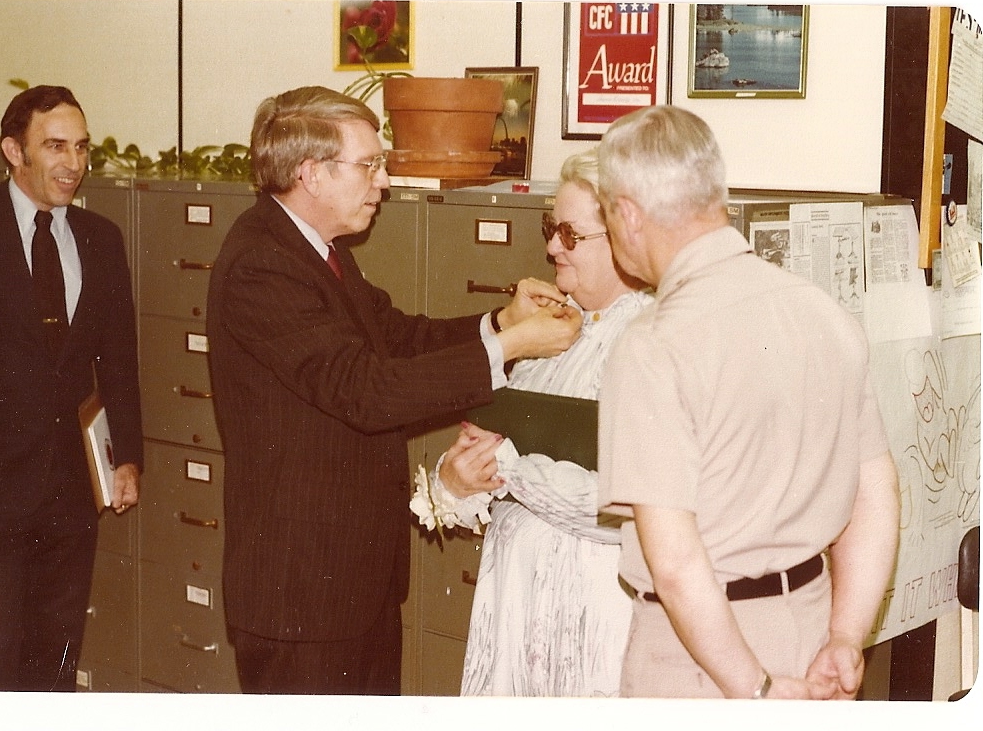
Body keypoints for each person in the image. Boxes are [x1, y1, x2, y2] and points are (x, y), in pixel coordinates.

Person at [205, 86, 581, 696]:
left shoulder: (318, 250)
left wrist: (501, 323)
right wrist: (510, 351)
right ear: (312, 174)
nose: (383, 181)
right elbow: (365, 391)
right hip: (302, 594)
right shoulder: (262, 263)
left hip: (351, 584)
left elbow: (396, 337)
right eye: (369, 164)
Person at [595, 105, 900, 700]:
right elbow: (877, 491)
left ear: (627, 215)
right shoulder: (826, 315)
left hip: (703, 661)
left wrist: (754, 689)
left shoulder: (653, 346)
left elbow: (678, 564)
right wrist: (845, 636)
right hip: (815, 637)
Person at [410, 149, 653, 697]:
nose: (550, 247)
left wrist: (511, 470)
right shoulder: (550, 332)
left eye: (570, 234)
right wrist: (456, 481)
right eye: (551, 228)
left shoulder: (652, 343)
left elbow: (631, 513)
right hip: (517, 606)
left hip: (594, 610)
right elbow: (484, 448)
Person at [0, 85, 143, 691]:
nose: (74, 163)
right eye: (56, 146)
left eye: (83, 147)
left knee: (56, 659)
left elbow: (119, 359)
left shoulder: (100, 237)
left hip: (70, 491)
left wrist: (128, 458)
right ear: (14, 150)